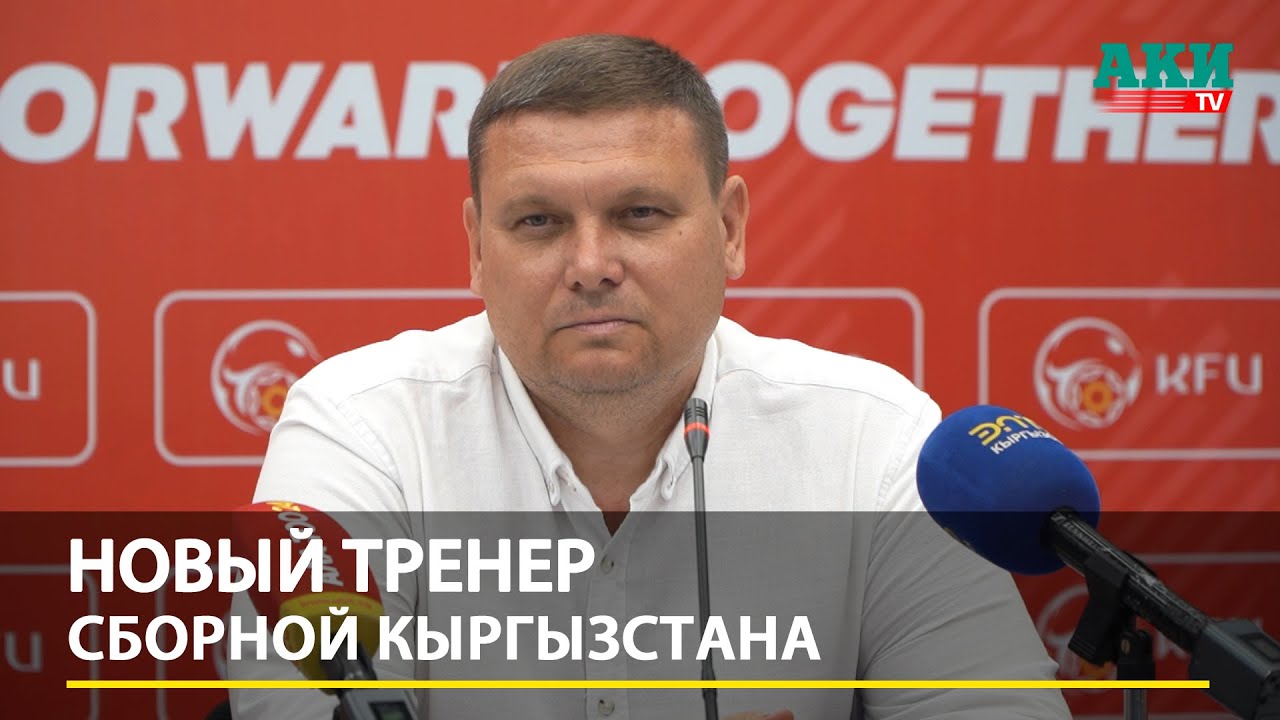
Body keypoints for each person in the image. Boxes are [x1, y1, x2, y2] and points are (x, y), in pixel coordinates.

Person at [231, 34, 1070, 719]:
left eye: (640, 213)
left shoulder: (873, 436)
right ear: (478, 249)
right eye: (538, 221)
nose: (591, 264)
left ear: (730, 229)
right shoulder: (360, 428)